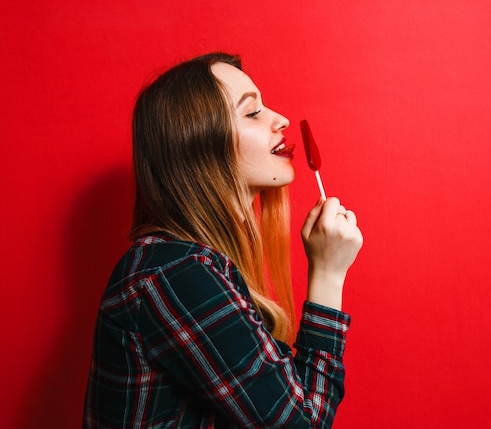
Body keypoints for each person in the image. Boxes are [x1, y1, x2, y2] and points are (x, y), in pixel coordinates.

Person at [82, 52, 363, 428]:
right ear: (199, 144)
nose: (280, 120)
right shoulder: (178, 274)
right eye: (252, 113)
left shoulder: (198, 267)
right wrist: (328, 274)